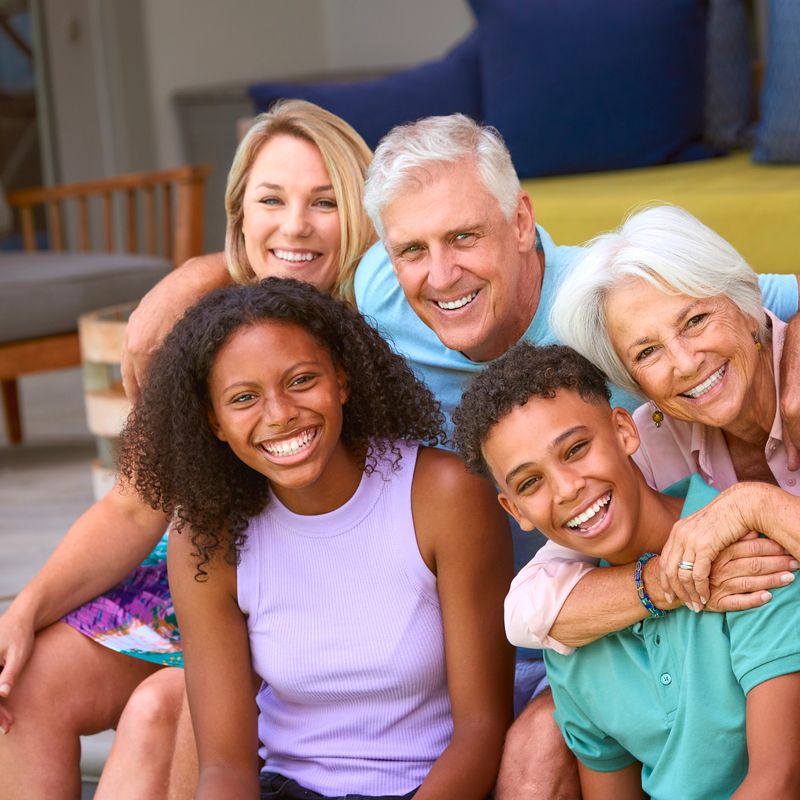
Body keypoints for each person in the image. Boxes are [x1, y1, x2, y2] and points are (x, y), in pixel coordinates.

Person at [118, 113, 800, 799]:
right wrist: (197, 278)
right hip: (584, 621)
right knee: (174, 712)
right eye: (411, 249)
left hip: (704, 605)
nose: (441, 275)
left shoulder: (608, 303)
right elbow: (529, 613)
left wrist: (760, 498)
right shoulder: (384, 296)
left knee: (539, 742)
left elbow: (738, 300)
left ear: (521, 219)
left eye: (465, 237)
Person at [0, 99, 375, 800]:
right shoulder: (207, 329)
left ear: (361, 214)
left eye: (325, 202)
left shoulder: (381, 326)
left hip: (301, 605)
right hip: (192, 586)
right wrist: (21, 611)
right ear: (239, 215)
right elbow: (132, 507)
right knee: (20, 684)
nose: (294, 225)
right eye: (272, 199)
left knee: (160, 709)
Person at [118, 277, 514, 799]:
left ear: (342, 381)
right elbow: (225, 769)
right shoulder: (207, 539)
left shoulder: (444, 496)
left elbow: (481, 732)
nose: (279, 414)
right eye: (244, 398)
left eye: (301, 380)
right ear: (213, 421)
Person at [453, 343, 800, 799]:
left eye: (576, 449)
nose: (566, 489)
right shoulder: (571, 634)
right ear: (514, 509)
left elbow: (780, 779)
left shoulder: (749, 561)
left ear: (623, 431)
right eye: (530, 483)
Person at [504, 204, 800, 665]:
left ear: (745, 305)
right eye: (647, 352)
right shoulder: (654, 437)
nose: (684, 363)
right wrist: (667, 581)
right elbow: (525, 611)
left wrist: (752, 505)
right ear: (632, 380)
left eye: (695, 321)